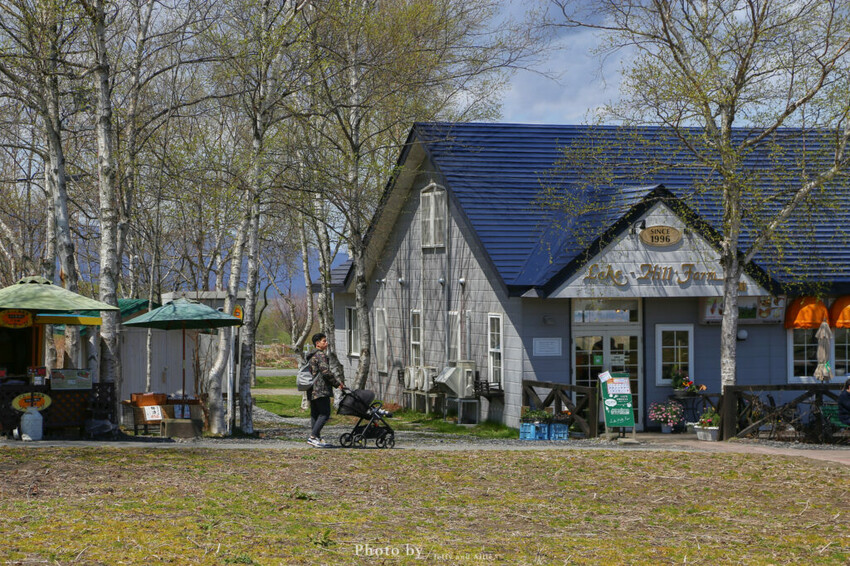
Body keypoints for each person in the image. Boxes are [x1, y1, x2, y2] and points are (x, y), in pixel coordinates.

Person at [306, 332, 345, 447]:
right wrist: (337, 384)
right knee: (325, 413)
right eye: (324, 341)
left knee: (315, 414)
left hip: (311, 389)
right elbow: (326, 372)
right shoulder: (320, 355)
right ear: (317, 344)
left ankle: (316, 437)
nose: (326, 343)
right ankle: (313, 437)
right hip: (320, 389)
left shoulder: (310, 355)